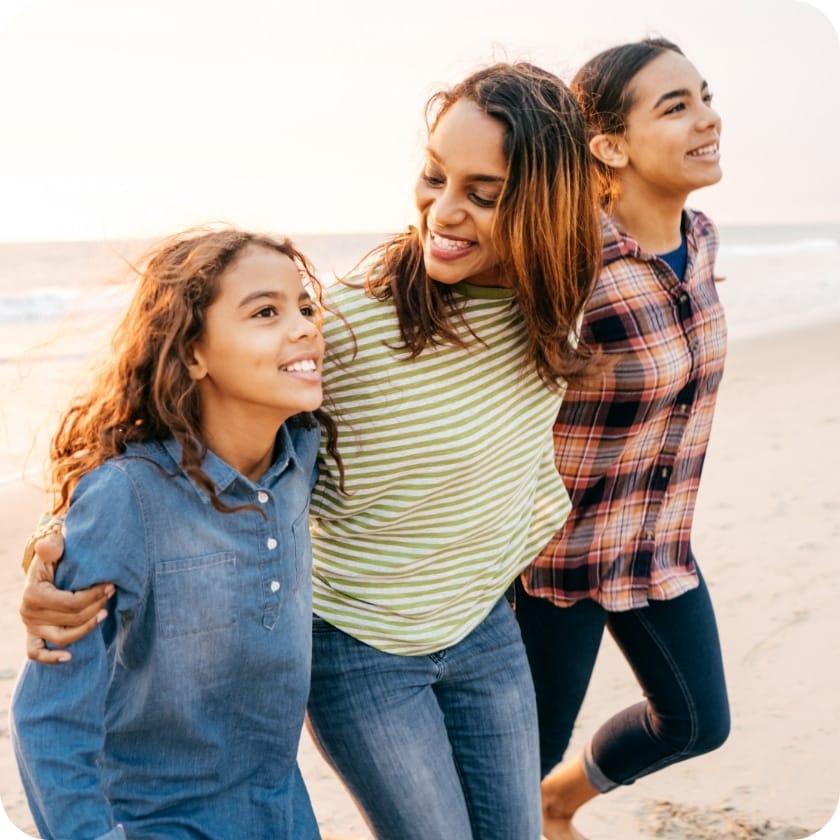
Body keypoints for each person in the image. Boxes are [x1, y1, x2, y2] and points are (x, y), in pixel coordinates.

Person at [17, 62, 602, 840]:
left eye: (484, 193)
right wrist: (54, 554)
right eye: (434, 176)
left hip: (484, 627)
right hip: (363, 649)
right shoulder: (350, 327)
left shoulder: (557, 304)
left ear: (546, 207)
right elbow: (194, 428)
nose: (444, 209)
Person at [11, 228, 336, 839]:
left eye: (306, 306)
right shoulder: (128, 497)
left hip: (283, 817)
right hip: (161, 823)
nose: (304, 328)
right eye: (266, 311)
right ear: (192, 354)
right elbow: (48, 722)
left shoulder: (299, 456)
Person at [511, 38, 731, 839]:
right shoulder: (568, 265)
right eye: (675, 107)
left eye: (704, 96)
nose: (707, 119)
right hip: (550, 565)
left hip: (657, 544)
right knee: (511, 763)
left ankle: (557, 806)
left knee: (697, 722)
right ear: (608, 144)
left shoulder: (701, 239)